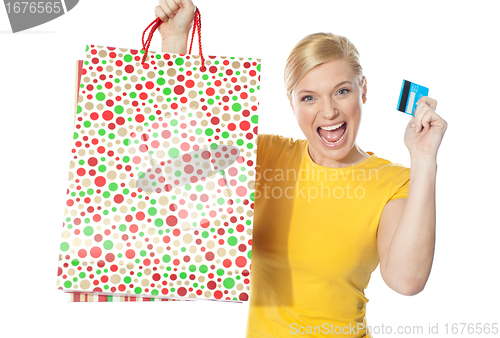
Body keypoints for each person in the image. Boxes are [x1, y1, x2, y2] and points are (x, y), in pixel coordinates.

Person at [154, 0, 448, 337]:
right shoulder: (265, 155)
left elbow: (406, 281)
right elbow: (175, 159)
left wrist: (424, 159)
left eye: (341, 91)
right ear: (291, 104)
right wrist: (174, 45)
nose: (329, 112)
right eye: (309, 97)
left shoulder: (393, 181)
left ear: (362, 91)